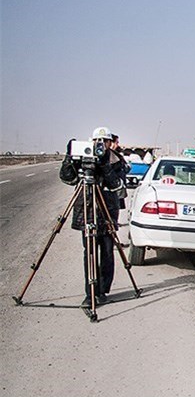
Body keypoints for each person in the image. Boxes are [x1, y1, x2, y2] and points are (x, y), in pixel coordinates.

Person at [59, 127, 123, 309]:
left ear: (111, 143)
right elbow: (67, 178)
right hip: (86, 210)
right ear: (91, 142)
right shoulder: (83, 157)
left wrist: (104, 165)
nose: (101, 144)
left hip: (107, 211)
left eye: (105, 141)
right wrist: (69, 158)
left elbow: (116, 184)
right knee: (90, 253)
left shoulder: (117, 161)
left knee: (108, 253)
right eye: (98, 140)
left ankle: (103, 290)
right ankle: (91, 294)